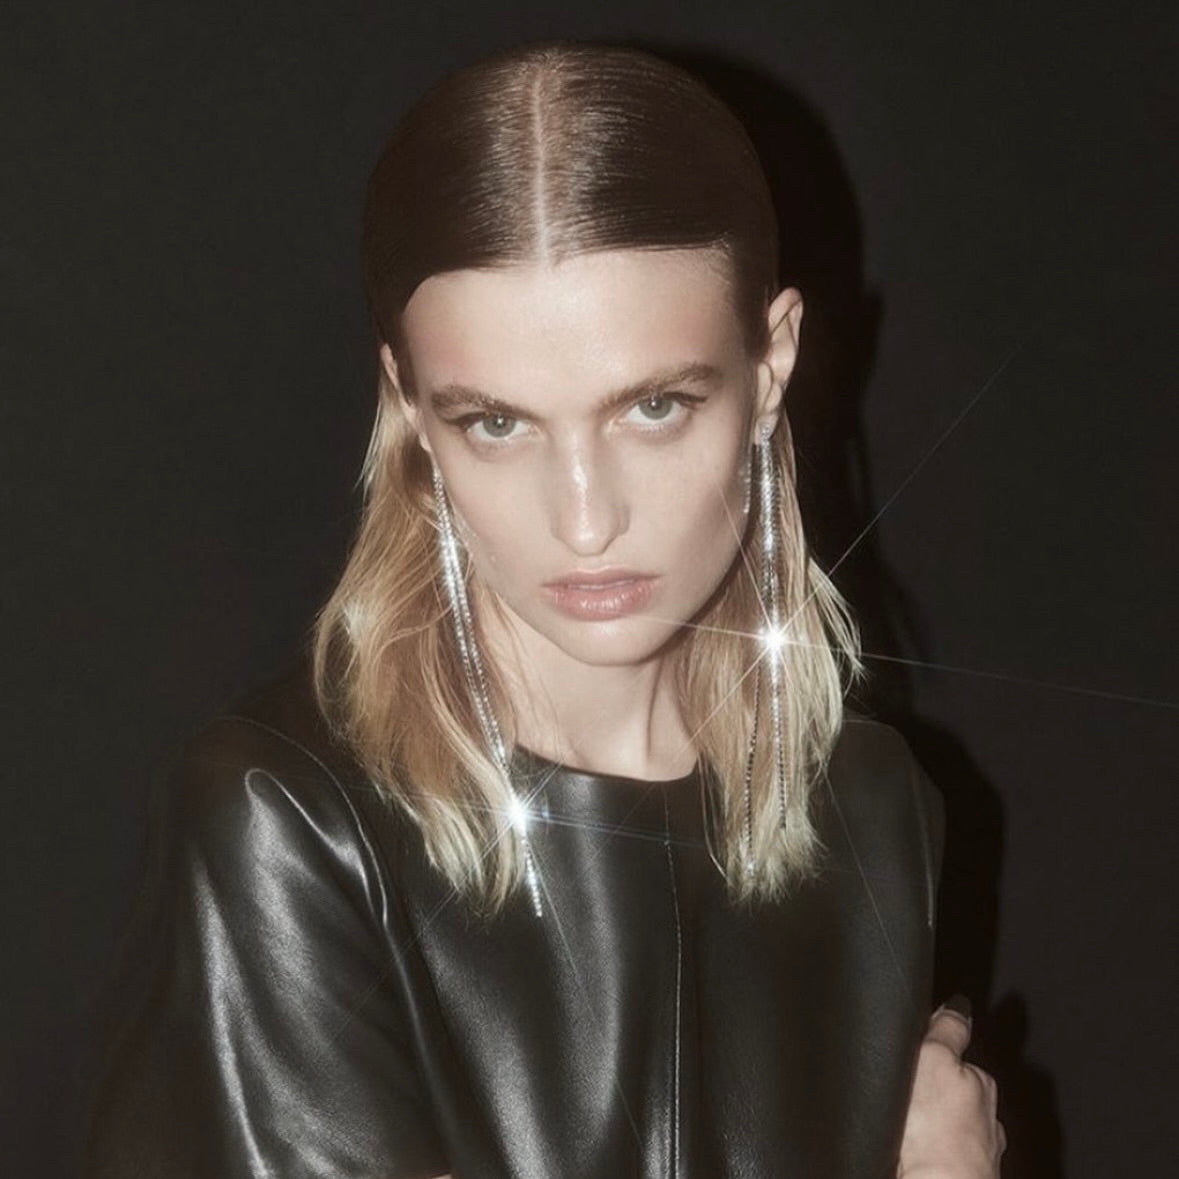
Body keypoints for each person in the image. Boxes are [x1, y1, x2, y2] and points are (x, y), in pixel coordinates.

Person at [86, 42, 1003, 1178]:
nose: (584, 521)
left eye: (653, 407)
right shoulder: (291, 826)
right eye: (498, 423)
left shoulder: (874, 814)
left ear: (770, 367)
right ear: (412, 409)